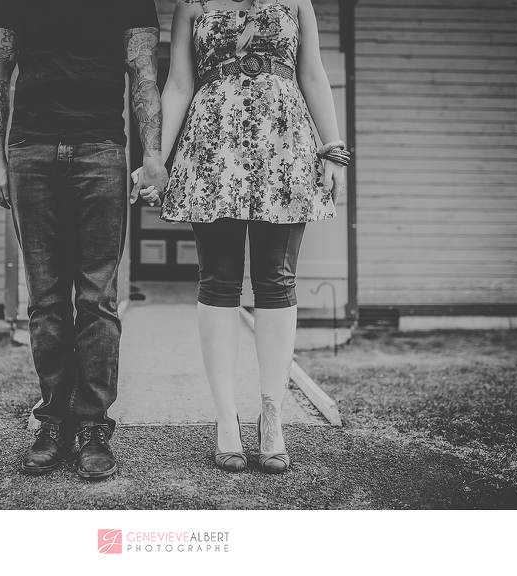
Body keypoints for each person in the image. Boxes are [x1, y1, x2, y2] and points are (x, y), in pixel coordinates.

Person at [146, 0, 347, 473]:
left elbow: (312, 74)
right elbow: (179, 84)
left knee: (277, 280)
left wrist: (333, 150)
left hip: (284, 145)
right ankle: (225, 417)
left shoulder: (296, 0)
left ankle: (271, 416)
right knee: (219, 282)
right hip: (212, 146)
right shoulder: (192, 5)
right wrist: (157, 159)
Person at [0, 0, 168, 480]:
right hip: (30, 150)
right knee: (45, 300)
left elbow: (143, 73)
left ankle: (92, 426)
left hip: (100, 149)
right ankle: (53, 421)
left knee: (96, 299)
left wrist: (153, 155)